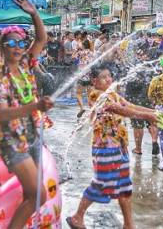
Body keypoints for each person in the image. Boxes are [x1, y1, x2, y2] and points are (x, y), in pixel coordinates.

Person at [66, 64, 158, 229]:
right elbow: (120, 110)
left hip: (120, 146)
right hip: (105, 148)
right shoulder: (96, 95)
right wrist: (147, 116)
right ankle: (77, 217)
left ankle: (129, 224)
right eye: (104, 77)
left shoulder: (112, 93)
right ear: (95, 81)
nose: (109, 79)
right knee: (101, 183)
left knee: (125, 185)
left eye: (109, 76)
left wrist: (154, 112)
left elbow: (129, 106)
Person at [0, 0, 54, 229]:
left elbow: (41, 38)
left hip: (33, 136)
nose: (18, 48)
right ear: (2, 46)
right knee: (38, 196)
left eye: (21, 43)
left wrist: (33, 13)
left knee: (31, 196)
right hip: (12, 142)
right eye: (12, 43)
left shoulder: (27, 63)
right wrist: (36, 106)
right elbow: (4, 115)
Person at [125, 45, 159, 156]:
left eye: (141, 54)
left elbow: (129, 83)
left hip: (135, 100)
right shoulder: (155, 70)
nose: (140, 56)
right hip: (148, 99)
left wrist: (127, 99)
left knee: (137, 125)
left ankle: (138, 148)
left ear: (146, 55)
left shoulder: (137, 67)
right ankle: (154, 140)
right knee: (151, 122)